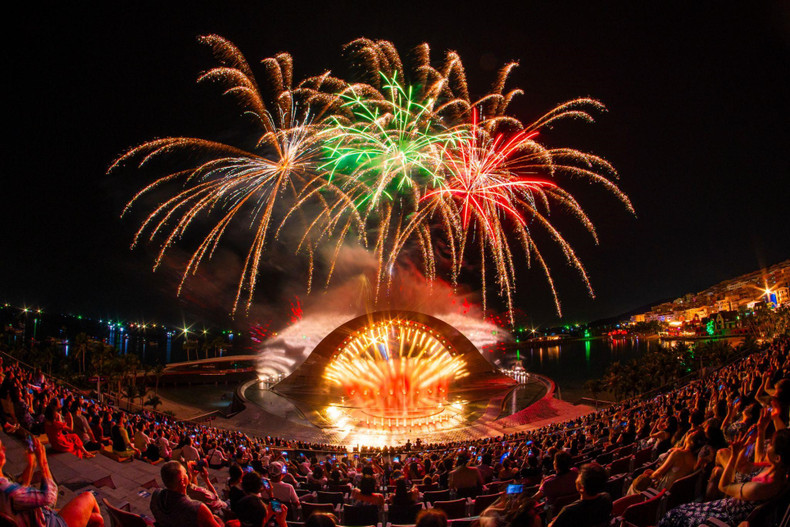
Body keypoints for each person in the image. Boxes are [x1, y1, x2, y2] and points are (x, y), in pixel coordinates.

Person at [658, 428, 790, 527]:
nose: (767, 445)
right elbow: (744, 466)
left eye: (771, 444)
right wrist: (758, 433)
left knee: (673, 515)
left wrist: (733, 456)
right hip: (724, 507)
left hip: (724, 515)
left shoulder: (762, 487)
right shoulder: (774, 471)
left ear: (777, 458)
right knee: (679, 510)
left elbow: (724, 486)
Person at [0, 437, 104, 527]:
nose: (4, 449)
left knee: (97, 519)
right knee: (89, 496)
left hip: (36, 517)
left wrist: (31, 466)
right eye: (0, 448)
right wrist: (43, 462)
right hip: (47, 522)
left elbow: (22, 494)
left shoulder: (5, 488)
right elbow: (50, 499)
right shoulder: (7, 490)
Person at [150, 461, 223, 527]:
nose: (187, 474)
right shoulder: (198, 509)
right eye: (185, 473)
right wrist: (220, 521)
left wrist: (193, 477)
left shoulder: (156, 495)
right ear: (182, 481)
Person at [548, 463, 612, 527]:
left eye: (579, 476)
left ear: (582, 488)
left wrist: (553, 522)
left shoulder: (568, 511)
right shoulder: (606, 498)